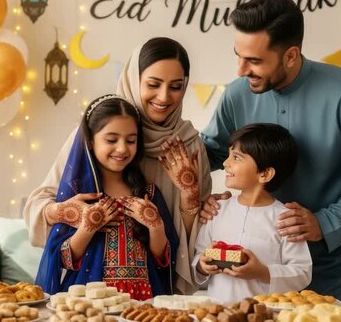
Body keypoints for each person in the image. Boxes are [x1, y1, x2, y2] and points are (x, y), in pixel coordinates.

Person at [200, 0, 341, 302]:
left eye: (254, 61)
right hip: (260, 273)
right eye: (238, 56)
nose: (241, 70)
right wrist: (201, 198)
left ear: (291, 55)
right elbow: (213, 152)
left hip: (339, 270)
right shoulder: (237, 94)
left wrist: (326, 222)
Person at [25, 37, 212, 294]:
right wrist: (68, 213)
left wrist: (191, 199)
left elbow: (196, 239)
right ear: (134, 81)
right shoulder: (93, 131)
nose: (164, 96)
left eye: (176, 86)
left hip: (159, 292)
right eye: (153, 84)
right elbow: (42, 206)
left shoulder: (189, 146)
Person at [34, 95, 179, 300]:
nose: (122, 148)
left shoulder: (148, 193)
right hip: (91, 301)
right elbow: (63, 258)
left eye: (131, 140)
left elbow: (162, 258)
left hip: (142, 301)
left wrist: (155, 226)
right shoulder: (79, 197)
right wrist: (87, 228)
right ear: (91, 141)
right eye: (111, 140)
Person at [193, 123, 312, 304]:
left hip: (264, 315)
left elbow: (302, 272)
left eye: (237, 157)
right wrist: (202, 266)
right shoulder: (217, 210)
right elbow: (199, 255)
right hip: (217, 313)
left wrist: (262, 272)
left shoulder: (286, 219)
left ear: (264, 174)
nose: (225, 163)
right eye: (229, 155)